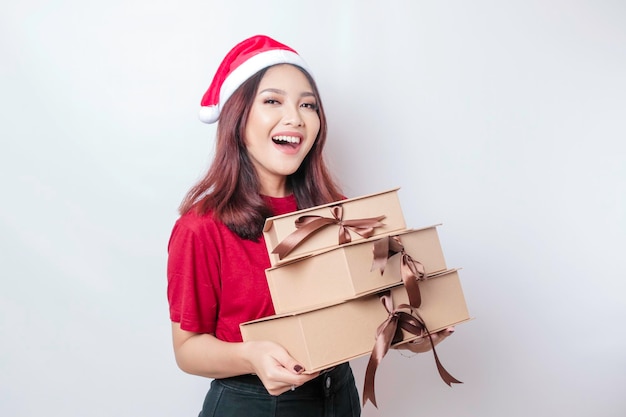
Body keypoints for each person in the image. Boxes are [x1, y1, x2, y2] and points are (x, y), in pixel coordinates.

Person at [166, 34, 455, 417]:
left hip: (341, 397)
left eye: (308, 105)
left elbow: (364, 315)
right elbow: (187, 349)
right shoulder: (201, 227)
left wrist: (411, 334)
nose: (295, 118)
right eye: (273, 101)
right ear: (238, 116)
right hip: (253, 406)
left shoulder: (340, 216)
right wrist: (250, 355)